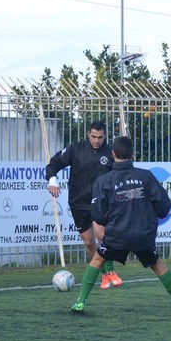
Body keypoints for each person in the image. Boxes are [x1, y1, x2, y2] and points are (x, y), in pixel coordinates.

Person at [71, 136, 171, 314]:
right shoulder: (146, 176)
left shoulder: (104, 180)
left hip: (117, 235)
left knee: (98, 259)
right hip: (143, 235)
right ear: (132, 154)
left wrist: (111, 220)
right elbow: (164, 207)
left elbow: (98, 215)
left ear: (113, 154)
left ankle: (80, 302)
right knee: (157, 264)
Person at [45, 120, 123, 290]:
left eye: (100, 137)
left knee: (102, 235)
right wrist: (52, 180)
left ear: (105, 136)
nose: (96, 140)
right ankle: (104, 274)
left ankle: (110, 271)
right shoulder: (76, 149)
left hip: (100, 202)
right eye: (93, 136)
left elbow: (120, 175)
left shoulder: (110, 153)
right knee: (88, 242)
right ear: (88, 134)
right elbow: (53, 164)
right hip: (78, 202)